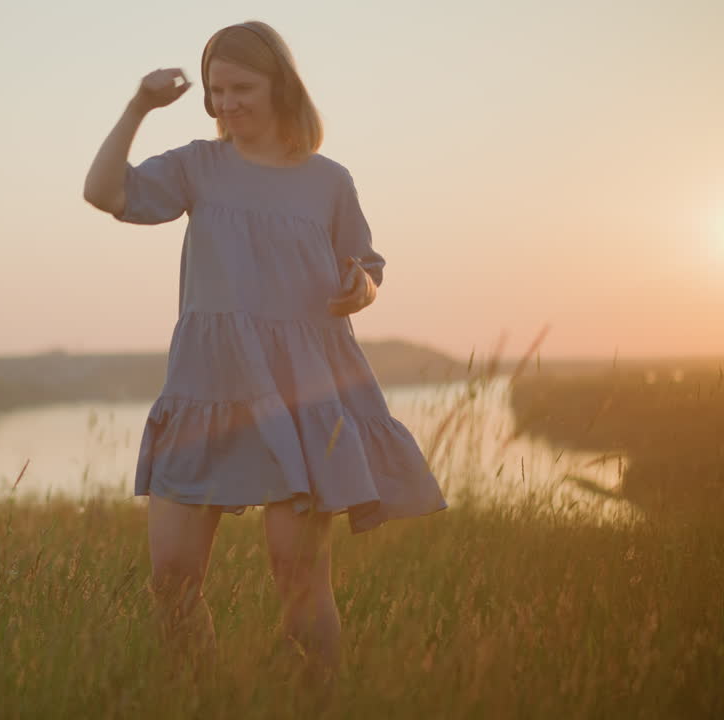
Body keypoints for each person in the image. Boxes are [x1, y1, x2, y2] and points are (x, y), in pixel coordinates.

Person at [83, 21, 446, 678]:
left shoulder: (328, 181)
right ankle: (201, 701)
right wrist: (138, 105)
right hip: (207, 386)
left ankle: (318, 704)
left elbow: (366, 270)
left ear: (279, 83)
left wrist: (359, 285)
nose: (227, 104)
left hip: (303, 393)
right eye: (216, 91)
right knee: (171, 581)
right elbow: (105, 193)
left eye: (241, 88)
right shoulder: (198, 166)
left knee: (300, 582)